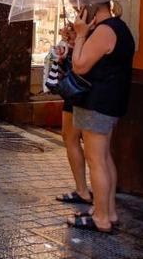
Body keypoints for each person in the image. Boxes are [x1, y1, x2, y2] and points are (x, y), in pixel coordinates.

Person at [65, 0, 135, 234]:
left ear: (89, 7)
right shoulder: (118, 28)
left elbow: (81, 67)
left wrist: (82, 35)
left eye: (79, 7)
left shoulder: (105, 31)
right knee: (104, 158)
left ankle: (102, 217)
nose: (77, 12)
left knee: (96, 161)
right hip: (109, 102)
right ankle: (110, 211)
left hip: (98, 103)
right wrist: (80, 37)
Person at [51, 24, 92, 207]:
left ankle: (85, 192)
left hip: (82, 92)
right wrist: (64, 54)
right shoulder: (86, 27)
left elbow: (81, 66)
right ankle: (82, 189)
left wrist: (77, 40)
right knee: (69, 137)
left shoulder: (91, 29)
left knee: (79, 142)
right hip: (76, 92)